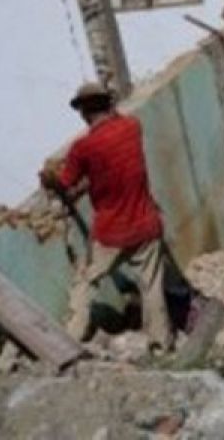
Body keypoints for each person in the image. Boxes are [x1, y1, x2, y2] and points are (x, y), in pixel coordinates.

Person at [40, 82, 170, 347]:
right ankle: (161, 342)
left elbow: (66, 184)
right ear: (109, 105)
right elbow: (109, 169)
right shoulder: (132, 127)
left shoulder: (83, 149)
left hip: (112, 233)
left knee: (86, 282)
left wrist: (49, 179)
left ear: (84, 112)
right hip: (147, 224)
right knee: (152, 287)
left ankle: (69, 341)